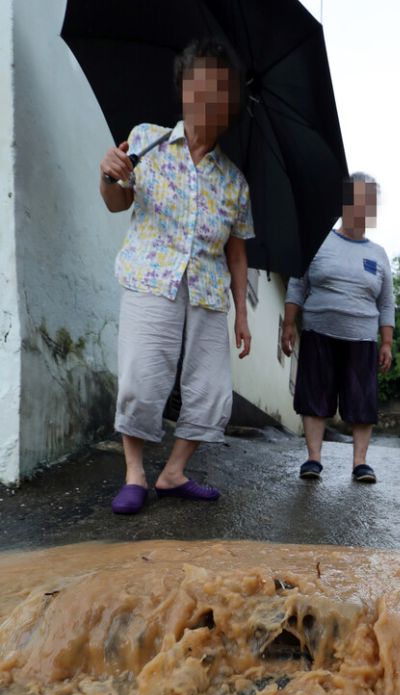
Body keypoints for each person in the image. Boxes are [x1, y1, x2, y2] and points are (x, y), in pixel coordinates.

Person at [99, 39, 254, 515]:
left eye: (221, 89)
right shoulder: (147, 140)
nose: (208, 96)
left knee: (211, 390)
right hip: (152, 276)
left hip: (208, 290)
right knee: (141, 378)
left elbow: (237, 254)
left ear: (230, 106)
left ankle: (173, 474)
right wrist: (108, 176)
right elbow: (117, 202)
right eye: (199, 83)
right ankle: (134, 474)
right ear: (184, 89)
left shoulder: (235, 181)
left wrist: (242, 316)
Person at [281, 173, 394, 484]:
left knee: (362, 401)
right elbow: (297, 285)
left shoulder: (378, 254)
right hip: (318, 331)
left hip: (362, 337)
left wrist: (386, 342)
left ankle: (360, 463)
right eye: (357, 201)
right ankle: (313, 458)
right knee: (315, 397)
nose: (362, 208)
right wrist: (289, 324)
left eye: (369, 203)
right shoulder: (319, 241)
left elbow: (386, 302)